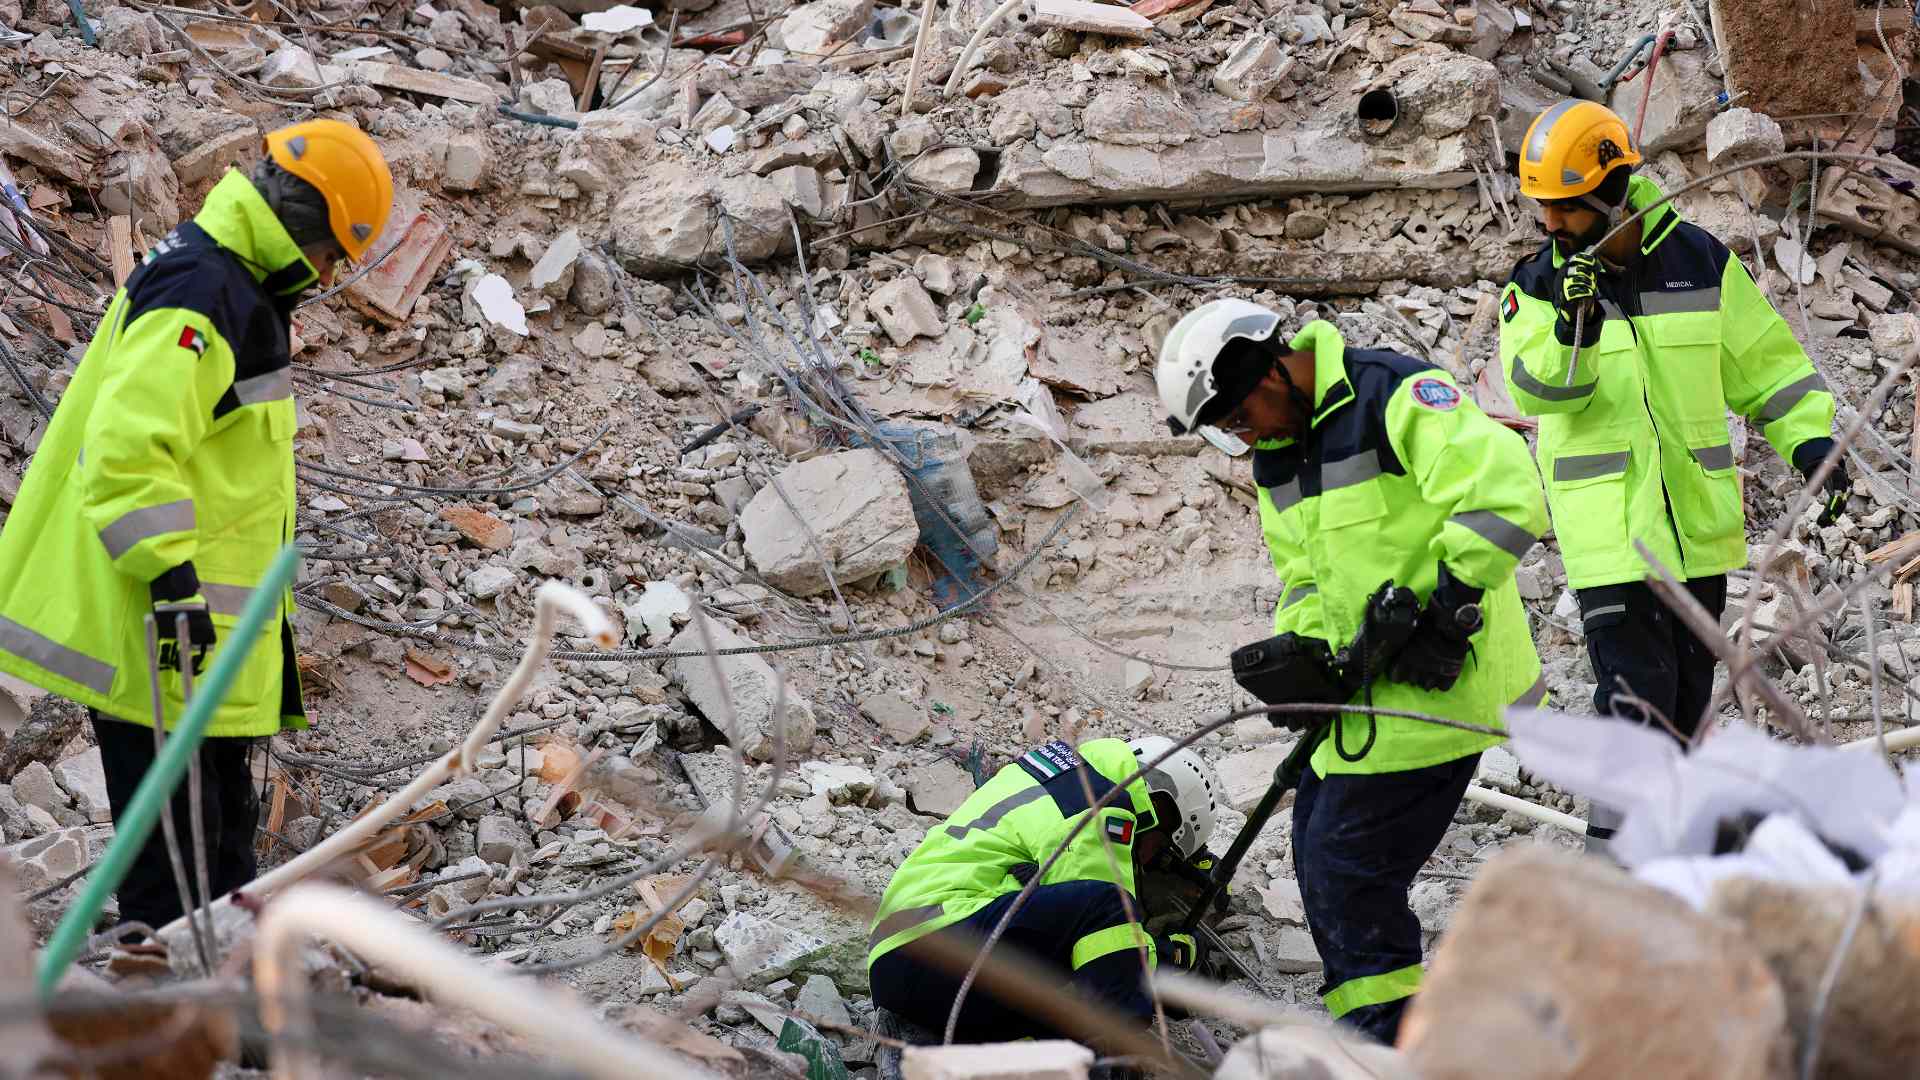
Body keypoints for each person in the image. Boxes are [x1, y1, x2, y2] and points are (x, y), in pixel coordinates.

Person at [0, 120, 393, 933]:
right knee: (171, 861)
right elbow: (126, 450)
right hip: (167, 627)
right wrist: (171, 579)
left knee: (219, 847)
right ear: (307, 226)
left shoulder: (231, 286)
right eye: (331, 256)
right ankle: (163, 1016)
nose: (325, 277)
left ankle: (214, 1002)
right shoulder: (202, 290)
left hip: (201, 642)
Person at [1156, 300, 1548, 1043]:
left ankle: (1390, 1037)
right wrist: (1300, 653)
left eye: (1241, 416)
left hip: (1440, 692)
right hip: (1363, 698)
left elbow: (1506, 491)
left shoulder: (1391, 394)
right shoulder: (1276, 457)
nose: (1245, 437)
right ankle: (1383, 1027)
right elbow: (1302, 575)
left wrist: (1451, 601)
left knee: (1346, 870)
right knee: (1315, 848)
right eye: (1230, 430)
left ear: (1270, 368)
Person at [1497, 101, 1846, 851]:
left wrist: (1810, 441)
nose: (1551, 226)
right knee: (1637, 706)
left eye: (1565, 210)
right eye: (1544, 210)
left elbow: (1770, 372)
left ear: (1614, 186)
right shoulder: (1534, 285)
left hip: (1696, 536)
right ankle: (1614, 875)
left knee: (1683, 710)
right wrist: (1574, 326)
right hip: (1610, 541)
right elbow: (1539, 391)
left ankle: (1681, 871)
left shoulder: (1700, 262)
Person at [867, 736, 1219, 1044]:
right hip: (934, 945)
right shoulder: (1102, 802)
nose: (1146, 861)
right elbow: (1114, 929)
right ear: (1162, 807)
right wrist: (1175, 956)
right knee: (1108, 906)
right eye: (1157, 849)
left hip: (907, 962)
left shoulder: (1063, 777)